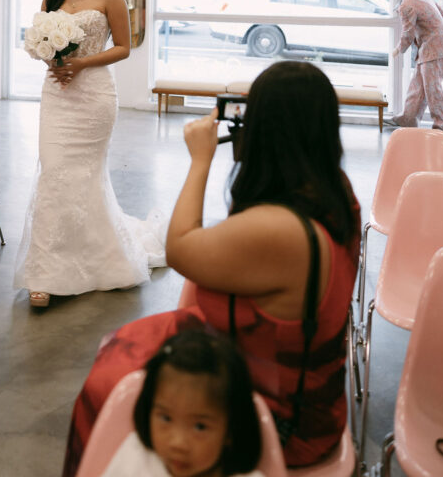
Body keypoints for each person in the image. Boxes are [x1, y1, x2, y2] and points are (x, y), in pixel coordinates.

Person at [62, 62, 360, 473]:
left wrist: (200, 160)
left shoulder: (281, 231)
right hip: (306, 392)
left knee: (104, 385)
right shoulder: (333, 191)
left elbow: (180, 248)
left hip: (281, 420)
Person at [14, 0, 165, 308]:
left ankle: (97, 257)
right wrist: (55, 61)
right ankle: (46, 272)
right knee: (53, 173)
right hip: (58, 91)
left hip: (94, 94)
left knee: (84, 176)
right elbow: (41, 40)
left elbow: (123, 48)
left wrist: (80, 64)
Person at [100, 330, 262, 477]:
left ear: (230, 430)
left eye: (200, 426)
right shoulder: (135, 458)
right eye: (165, 418)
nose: (178, 443)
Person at [387, 0, 443, 133]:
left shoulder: (406, 5)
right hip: (437, 46)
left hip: (433, 49)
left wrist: (397, 50)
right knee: (418, 86)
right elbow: (442, 14)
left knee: (432, 89)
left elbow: (407, 34)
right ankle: (408, 118)